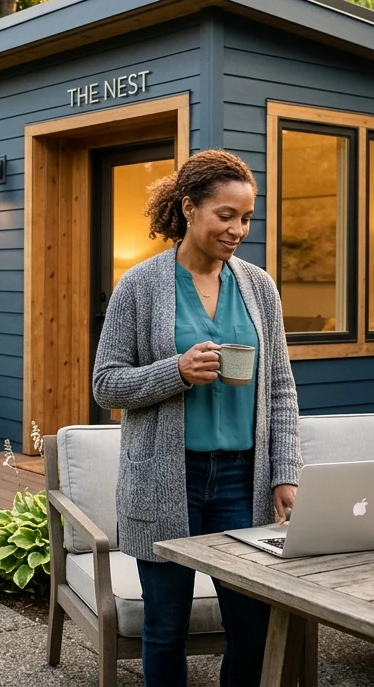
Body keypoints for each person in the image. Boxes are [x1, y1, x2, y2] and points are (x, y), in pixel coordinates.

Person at [92, 149, 302, 686]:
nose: (238, 229)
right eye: (225, 215)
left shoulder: (259, 287)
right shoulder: (139, 286)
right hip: (167, 480)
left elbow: (279, 387)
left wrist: (285, 472)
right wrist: (176, 372)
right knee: (166, 628)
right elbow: (105, 383)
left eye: (247, 218)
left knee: (251, 625)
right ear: (188, 207)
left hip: (241, 479)